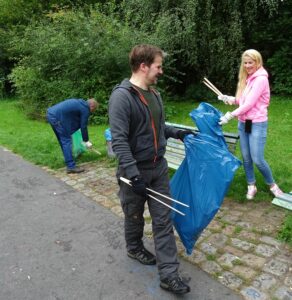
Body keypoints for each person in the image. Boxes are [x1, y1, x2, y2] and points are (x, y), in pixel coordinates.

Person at [108, 44, 194, 295]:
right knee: (133, 215)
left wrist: (177, 133)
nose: (161, 71)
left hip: (158, 169)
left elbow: (156, 127)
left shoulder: (154, 95)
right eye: (158, 66)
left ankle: (169, 275)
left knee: (163, 221)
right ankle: (134, 247)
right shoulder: (122, 96)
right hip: (132, 173)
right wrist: (133, 175)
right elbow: (120, 140)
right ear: (144, 66)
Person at [218, 49, 283, 200]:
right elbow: (243, 101)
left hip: (257, 123)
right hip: (243, 123)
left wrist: (230, 115)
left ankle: (272, 185)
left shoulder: (261, 79)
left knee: (257, 158)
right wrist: (229, 98)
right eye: (245, 63)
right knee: (246, 157)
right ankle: (251, 185)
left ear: (257, 62)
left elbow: (250, 104)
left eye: (250, 62)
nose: (247, 66)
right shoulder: (248, 78)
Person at [47, 98, 98, 174]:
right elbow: (83, 126)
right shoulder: (85, 109)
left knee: (63, 140)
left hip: (50, 114)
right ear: (92, 107)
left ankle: (68, 160)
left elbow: (73, 119)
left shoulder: (79, 103)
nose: (91, 112)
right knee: (66, 141)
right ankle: (71, 167)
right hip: (56, 117)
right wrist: (86, 141)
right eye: (93, 110)